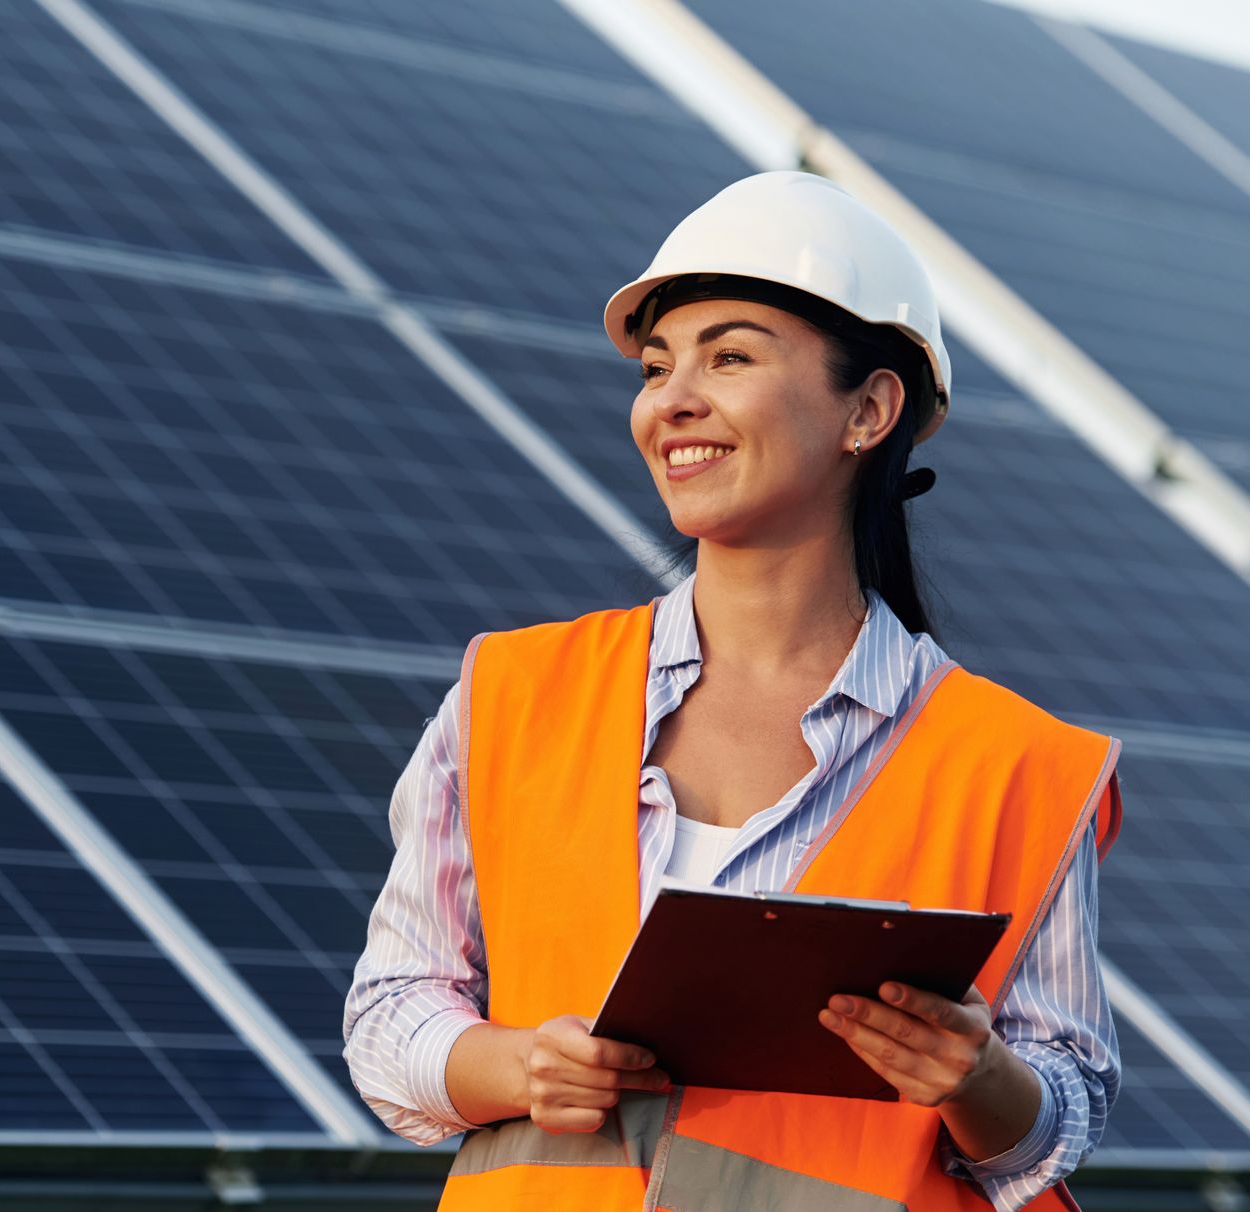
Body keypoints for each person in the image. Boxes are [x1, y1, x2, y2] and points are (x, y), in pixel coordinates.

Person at [343, 171, 1122, 1212]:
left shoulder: (1017, 766)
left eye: (732, 357)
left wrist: (979, 1081)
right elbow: (393, 1013)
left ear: (870, 411)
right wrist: (516, 1063)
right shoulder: (512, 695)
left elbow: (1059, 1115)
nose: (672, 401)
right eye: (658, 367)